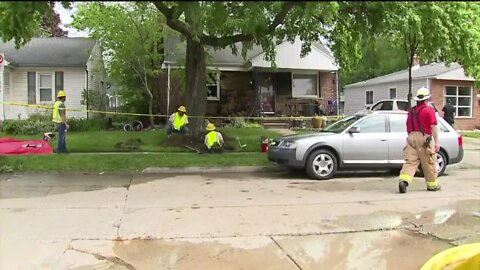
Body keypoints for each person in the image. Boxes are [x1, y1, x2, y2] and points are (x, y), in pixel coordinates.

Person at [398, 87, 441, 193]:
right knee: (429, 162)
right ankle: (432, 185)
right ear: (426, 100)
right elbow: (433, 127)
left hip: (411, 137)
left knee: (410, 161)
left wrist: (411, 137)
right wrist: (437, 142)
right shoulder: (429, 110)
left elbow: (408, 125)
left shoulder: (411, 111)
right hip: (424, 138)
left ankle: (404, 181)